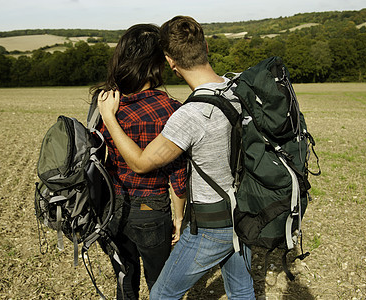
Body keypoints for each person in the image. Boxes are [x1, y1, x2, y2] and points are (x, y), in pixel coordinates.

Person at [98, 16, 255, 299]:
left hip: (209, 223)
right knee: (242, 289)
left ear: (170, 61)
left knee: (156, 292)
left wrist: (109, 117)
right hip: (241, 211)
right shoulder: (236, 89)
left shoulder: (189, 115)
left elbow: (141, 163)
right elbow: (179, 173)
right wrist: (179, 215)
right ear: (206, 45)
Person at [90, 23, 187, 300]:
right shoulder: (169, 109)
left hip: (111, 206)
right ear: (157, 63)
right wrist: (179, 217)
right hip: (151, 208)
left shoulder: (107, 101)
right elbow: (177, 173)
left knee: (124, 279)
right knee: (161, 284)